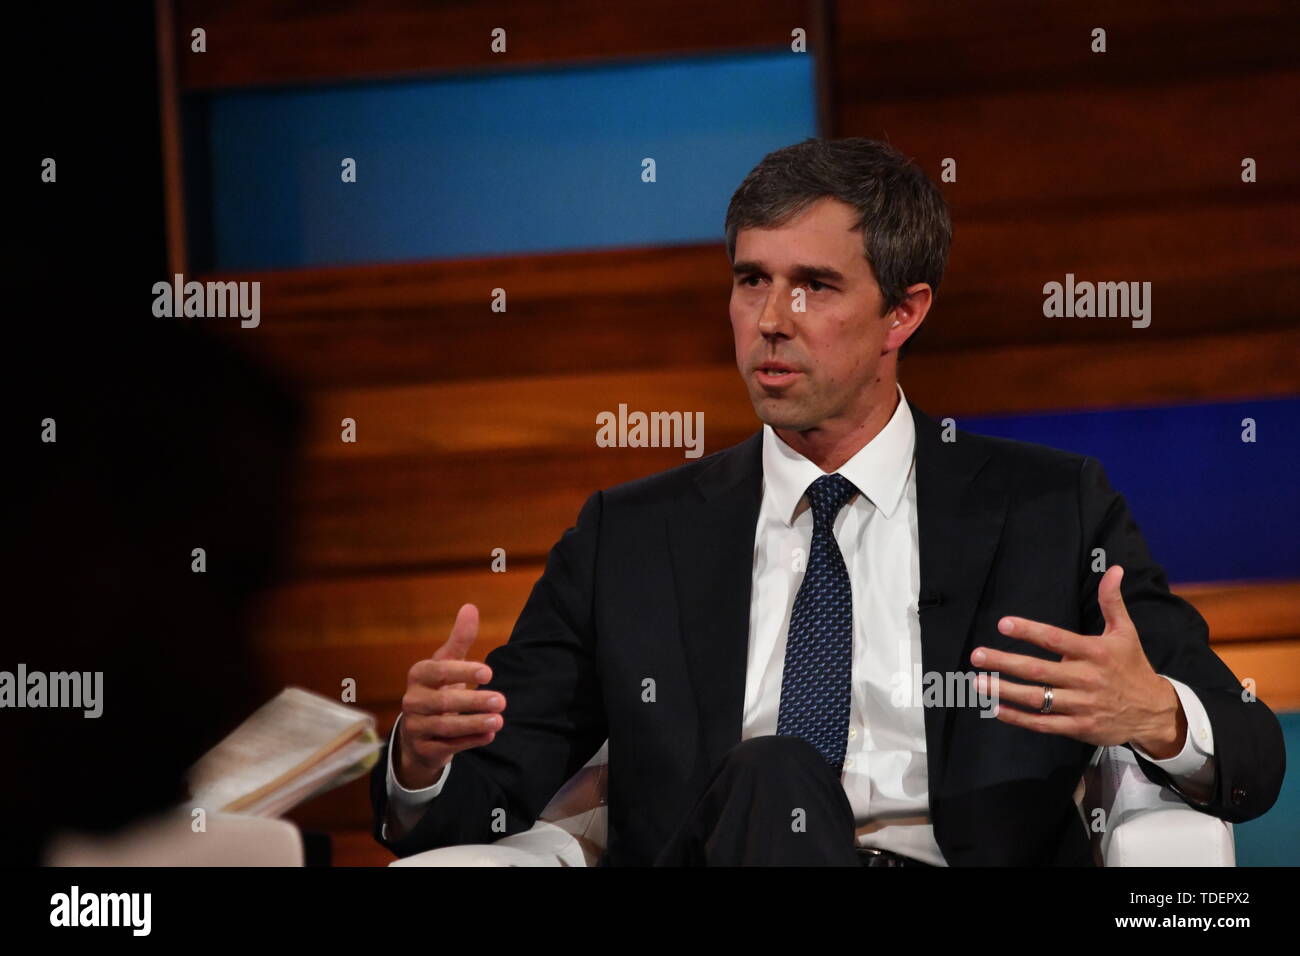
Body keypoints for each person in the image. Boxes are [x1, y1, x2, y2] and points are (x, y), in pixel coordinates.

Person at [369, 137, 1285, 866]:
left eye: (814, 285)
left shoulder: (1050, 507)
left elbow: (1251, 752)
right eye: (750, 279)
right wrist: (418, 758)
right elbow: (476, 800)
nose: (771, 319)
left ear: (904, 313)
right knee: (774, 775)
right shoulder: (632, 536)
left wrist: (1159, 717)